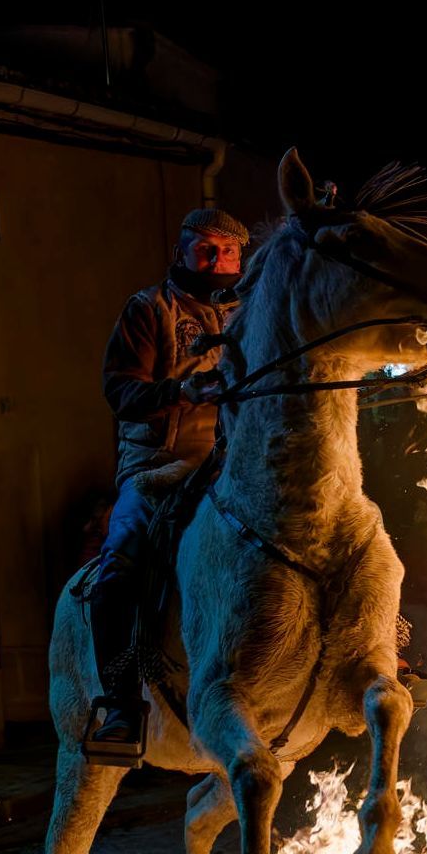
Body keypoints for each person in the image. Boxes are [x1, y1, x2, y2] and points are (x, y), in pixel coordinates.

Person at [88, 208, 247, 747]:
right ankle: (120, 704)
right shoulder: (149, 308)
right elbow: (121, 390)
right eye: (206, 250)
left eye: (228, 252)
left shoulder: (252, 311)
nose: (218, 261)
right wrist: (181, 392)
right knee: (119, 568)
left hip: (235, 466)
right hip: (160, 467)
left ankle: (385, 658)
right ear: (182, 252)